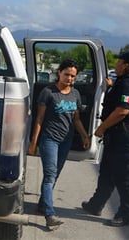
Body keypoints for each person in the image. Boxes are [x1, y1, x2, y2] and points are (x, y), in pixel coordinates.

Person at [81, 51, 129, 227]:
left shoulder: (128, 83)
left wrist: (101, 128)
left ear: (125, 65)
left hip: (126, 137)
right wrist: (111, 86)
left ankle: (126, 214)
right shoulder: (124, 82)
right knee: (107, 172)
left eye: (119, 61)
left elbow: (122, 111)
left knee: (124, 177)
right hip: (118, 136)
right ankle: (95, 205)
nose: (116, 65)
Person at [28, 59, 91, 229]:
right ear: (59, 73)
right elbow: (39, 119)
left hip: (66, 140)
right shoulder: (48, 92)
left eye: (73, 76)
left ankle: (42, 204)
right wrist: (34, 142)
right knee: (50, 175)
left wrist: (85, 136)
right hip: (49, 139)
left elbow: (76, 119)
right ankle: (49, 214)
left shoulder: (75, 94)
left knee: (54, 175)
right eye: (67, 74)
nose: (69, 78)